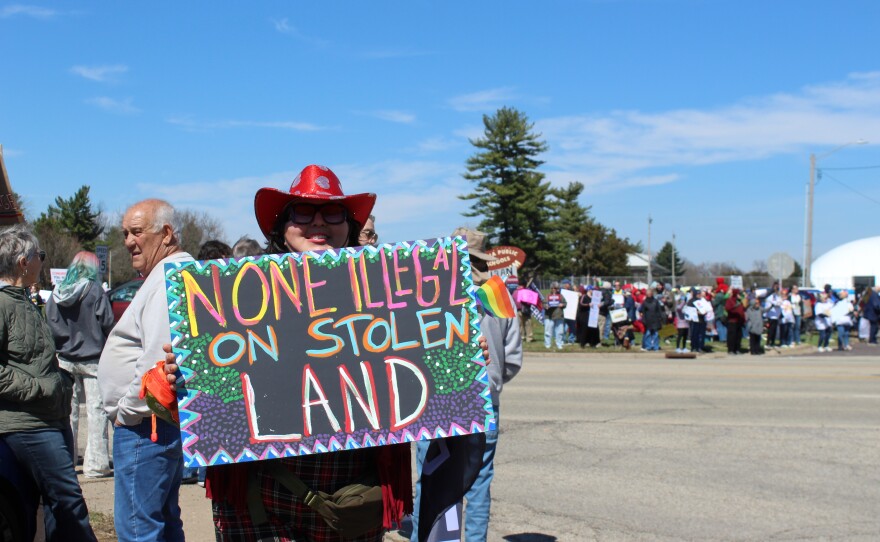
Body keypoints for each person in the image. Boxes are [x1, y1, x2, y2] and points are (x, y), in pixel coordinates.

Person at [172, 165, 412, 541]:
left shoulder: (386, 298)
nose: (318, 222)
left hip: (346, 503)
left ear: (350, 227)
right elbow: (207, 398)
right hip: (258, 503)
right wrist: (179, 375)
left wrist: (461, 354)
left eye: (333, 212)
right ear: (281, 227)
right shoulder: (234, 300)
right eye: (303, 212)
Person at [411, 227, 523, 542]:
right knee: (480, 483)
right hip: (486, 400)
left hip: (438, 402)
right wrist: (493, 381)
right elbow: (513, 357)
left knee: (431, 481)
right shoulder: (500, 295)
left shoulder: (429, 294)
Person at [98, 199, 192, 541]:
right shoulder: (168, 274)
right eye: (125, 233)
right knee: (162, 523)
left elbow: (158, 358)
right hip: (152, 424)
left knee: (140, 529)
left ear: (166, 234)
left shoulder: (170, 275)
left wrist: (127, 412)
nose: (127, 241)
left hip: (145, 426)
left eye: (136, 231)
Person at [0, 224, 97, 541]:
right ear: (23, 262)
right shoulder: (2, 305)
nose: (43, 260)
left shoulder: (25, 300)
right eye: (39, 255)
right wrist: (42, 387)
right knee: (69, 502)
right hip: (27, 423)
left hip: (49, 418)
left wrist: (61, 380)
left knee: (52, 507)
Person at [45, 251, 115, 478]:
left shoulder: (56, 294)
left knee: (68, 413)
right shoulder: (94, 291)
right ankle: (96, 465)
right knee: (96, 413)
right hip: (93, 358)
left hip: (64, 358)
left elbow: (49, 323)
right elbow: (107, 322)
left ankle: (67, 460)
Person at [544, 282, 567, 350]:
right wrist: (546, 306)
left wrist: (562, 305)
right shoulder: (547, 295)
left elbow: (565, 303)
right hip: (549, 316)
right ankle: (547, 345)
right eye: (552, 288)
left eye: (555, 288)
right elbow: (543, 303)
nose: (554, 289)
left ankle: (559, 344)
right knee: (548, 331)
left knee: (560, 331)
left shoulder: (560, 296)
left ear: (558, 289)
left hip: (559, 315)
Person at [724, 289, 746, 355]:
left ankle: (737, 349)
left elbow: (743, 309)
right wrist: (735, 306)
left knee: (738, 336)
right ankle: (731, 350)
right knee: (732, 336)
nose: (739, 295)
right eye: (738, 294)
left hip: (739, 321)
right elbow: (727, 308)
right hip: (732, 320)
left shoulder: (740, 301)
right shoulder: (730, 300)